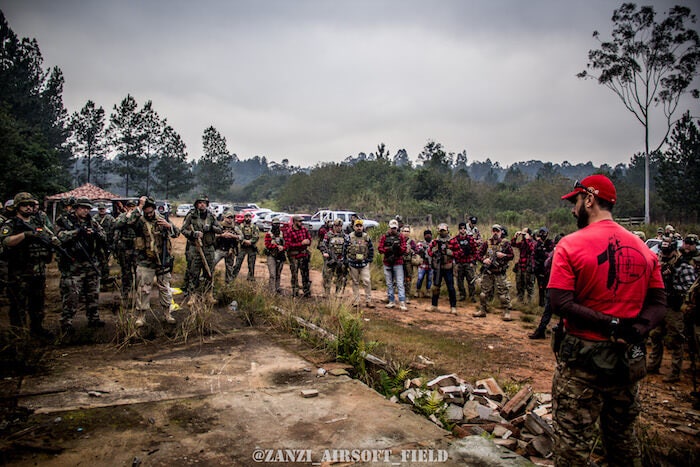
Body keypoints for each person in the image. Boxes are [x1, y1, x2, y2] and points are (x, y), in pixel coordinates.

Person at [549, 175, 666, 466]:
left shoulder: (570, 245)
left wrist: (609, 325)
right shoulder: (642, 249)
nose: (573, 209)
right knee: (624, 441)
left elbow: (559, 301)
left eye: (575, 202)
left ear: (589, 200)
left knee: (572, 444)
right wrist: (634, 329)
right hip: (626, 361)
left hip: (582, 363)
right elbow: (658, 302)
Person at [0, 192, 56, 337]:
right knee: (18, 305)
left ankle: (37, 329)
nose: (29, 208)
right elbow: (6, 241)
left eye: (31, 205)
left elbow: (50, 238)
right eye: (25, 205)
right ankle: (18, 333)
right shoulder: (10, 224)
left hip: (38, 271)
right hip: (20, 272)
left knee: (37, 304)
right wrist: (25, 235)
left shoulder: (38, 223)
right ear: (17, 207)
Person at [56, 197, 108, 333]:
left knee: (93, 293)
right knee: (72, 295)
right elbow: (59, 237)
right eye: (83, 208)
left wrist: (94, 234)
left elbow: (103, 235)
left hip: (90, 262)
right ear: (76, 208)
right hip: (74, 264)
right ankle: (66, 321)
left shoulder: (92, 221)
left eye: (88, 209)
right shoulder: (66, 221)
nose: (85, 211)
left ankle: (93, 318)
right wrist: (77, 233)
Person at [647, 236, 695, 382]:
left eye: (667, 253)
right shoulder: (659, 264)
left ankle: (675, 371)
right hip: (659, 305)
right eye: (663, 252)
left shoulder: (683, 266)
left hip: (674, 307)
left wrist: (672, 286)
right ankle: (654, 364)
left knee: (675, 339)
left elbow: (690, 287)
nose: (664, 255)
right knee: (655, 335)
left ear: (674, 251)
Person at [128, 196, 180, 327]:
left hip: (163, 260)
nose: (149, 213)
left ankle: (167, 313)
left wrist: (168, 226)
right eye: (146, 210)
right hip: (145, 260)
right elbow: (127, 222)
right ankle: (141, 316)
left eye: (151, 211)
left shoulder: (162, 219)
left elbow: (176, 233)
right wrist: (138, 207)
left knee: (165, 288)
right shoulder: (138, 220)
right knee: (143, 288)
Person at [181, 195, 221, 297]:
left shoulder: (211, 217)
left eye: (204, 203)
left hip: (209, 248)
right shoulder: (191, 216)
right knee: (194, 272)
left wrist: (211, 228)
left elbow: (220, 229)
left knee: (209, 271)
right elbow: (183, 230)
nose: (202, 204)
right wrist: (193, 234)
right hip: (196, 248)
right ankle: (192, 294)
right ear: (196, 204)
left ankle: (208, 294)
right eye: (200, 202)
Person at [474, 224, 515, 320]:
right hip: (488, 272)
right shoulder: (487, 243)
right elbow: (478, 254)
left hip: (499, 272)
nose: (495, 233)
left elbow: (511, 255)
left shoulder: (505, 243)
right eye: (494, 231)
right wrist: (484, 260)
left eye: (497, 231)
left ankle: (506, 312)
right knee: (483, 293)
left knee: (503, 295)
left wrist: (503, 255)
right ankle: (482, 310)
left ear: (501, 232)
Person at [529, 233, 563, 339]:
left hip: (554, 283)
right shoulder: (567, 251)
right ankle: (556, 329)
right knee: (561, 309)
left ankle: (542, 330)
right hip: (561, 284)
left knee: (549, 309)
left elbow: (547, 264)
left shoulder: (555, 252)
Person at [428, 223, 461, 314]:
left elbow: (459, 253)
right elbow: (429, 251)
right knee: (436, 286)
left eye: (444, 230)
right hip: (438, 267)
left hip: (448, 267)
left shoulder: (452, 241)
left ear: (447, 230)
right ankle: (434, 305)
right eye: (441, 231)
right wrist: (433, 252)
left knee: (451, 288)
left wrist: (451, 253)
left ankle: (453, 307)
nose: (442, 232)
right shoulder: (435, 242)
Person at [344, 219, 375, 308]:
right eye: (357, 226)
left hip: (364, 263)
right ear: (354, 227)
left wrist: (370, 259)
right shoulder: (349, 237)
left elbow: (371, 248)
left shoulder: (366, 237)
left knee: (367, 281)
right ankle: (356, 300)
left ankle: (368, 300)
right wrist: (345, 260)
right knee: (355, 282)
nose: (359, 228)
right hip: (353, 263)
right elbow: (345, 248)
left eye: (360, 226)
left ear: (362, 227)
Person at [378, 219, 408, 311]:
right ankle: (391, 300)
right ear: (389, 228)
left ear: (397, 228)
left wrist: (398, 249)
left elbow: (404, 249)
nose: (393, 230)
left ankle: (402, 301)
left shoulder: (401, 237)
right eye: (392, 228)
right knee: (389, 283)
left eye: (395, 228)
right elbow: (380, 248)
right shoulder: (384, 237)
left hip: (398, 262)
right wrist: (389, 249)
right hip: (387, 262)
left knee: (399, 283)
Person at [113, 199, 138, 303]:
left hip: (136, 248)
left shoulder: (138, 217)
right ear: (126, 207)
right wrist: (126, 217)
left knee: (138, 272)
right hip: (125, 248)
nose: (131, 209)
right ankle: (125, 294)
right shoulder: (122, 216)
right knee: (126, 272)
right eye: (129, 207)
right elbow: (116, 225)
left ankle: (138, 293)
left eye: (133, 207)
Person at [284, 215, 312, 297]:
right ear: (295, 222)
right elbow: (289, 244)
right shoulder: (289, 231)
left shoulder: (304, 230)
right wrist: (301, 243)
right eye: (299, 221)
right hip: (294, 255)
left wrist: (308, 241)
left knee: (305, 274)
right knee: (295, 274)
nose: (301, 223)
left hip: (304, 254)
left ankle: (306, 291)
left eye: (301, 221)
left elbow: (309, 239)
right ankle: (295, 292)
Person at [319, 219, 348, 298]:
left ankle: (338, 292)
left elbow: (348, 247)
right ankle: (326, 292)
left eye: (340, 226)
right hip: (330, 259)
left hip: (340, 259)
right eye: (336, 226)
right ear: (333, 226)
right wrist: (324, 253)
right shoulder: (328, 235)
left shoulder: (345, 236)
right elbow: (322, 245)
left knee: (340, 276)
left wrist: (344, 258)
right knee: (327, 276)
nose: (338, 228)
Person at [454, 222, 479, 302]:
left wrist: (473, 261)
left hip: (468, 262)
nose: (463, 230)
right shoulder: (456, 239)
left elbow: (475, 251)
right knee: (460, 280)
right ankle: (462, 295)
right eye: (461, 228)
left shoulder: (470, 239)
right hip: (459, 263)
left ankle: (472, 296)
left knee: (471, 280)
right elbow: (452, 251)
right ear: (459, 230)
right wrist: (455, 262)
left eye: (464, 228)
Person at [231, 211, 260, 282]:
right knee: (238, 263)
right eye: (246, 217)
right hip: (242, 247)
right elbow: (238, 235)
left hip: (251, 247)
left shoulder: (254, 226)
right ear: (244, 218)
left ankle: (250, 279)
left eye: (249, 217)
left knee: (251, 264)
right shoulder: (240, 226)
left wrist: (250, 241)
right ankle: (232, 277)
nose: (248, 218)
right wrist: (244, 241)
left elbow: (256, 236)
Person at [511, 227, 536, 304]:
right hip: (520, 266)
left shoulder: (532, 242)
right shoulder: (522, 243)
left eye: (525, 233)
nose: (523, 234)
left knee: (529, 285)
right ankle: (520, 299)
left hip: (528, 267)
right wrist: (515, 237)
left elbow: (531, 249)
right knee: (519, 284)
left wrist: (528, 239)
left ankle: (530, 302)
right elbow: (513, 244)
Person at [213, 211, 239, 284]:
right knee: (212, 263)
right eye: (228, 217)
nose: (230, 219)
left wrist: (233, 236)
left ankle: (228, 285)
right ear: (224, 218)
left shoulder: (235, 227)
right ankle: (209, 280)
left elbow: (241, 237)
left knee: (229, 268)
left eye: (231, 218)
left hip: (230, 250)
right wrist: (222, 235)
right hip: (220, 249)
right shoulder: (220, 226)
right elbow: (212, 235)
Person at [95, 202, 115, 288]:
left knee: (106, 262)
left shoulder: (110, 218)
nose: (102, 211)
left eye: (103, 209)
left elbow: (114, 228)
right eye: (100, 209)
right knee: (98, 262)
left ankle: (105, 279)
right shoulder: (94, 219)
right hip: (98, 244)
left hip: (107, 243)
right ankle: (99, 279)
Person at [263, 217, 286, 293]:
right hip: (271, 255)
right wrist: (276, 246)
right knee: (272, 274)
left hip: (280, 255)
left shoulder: (282, 233)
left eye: (278, 224)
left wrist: (283, 247)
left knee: (278, 273)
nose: (277, 225)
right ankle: (272, 290)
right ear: (272, 224)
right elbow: (267, 244)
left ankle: (277, 288)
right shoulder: (268, 234)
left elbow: (287, 244)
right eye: (275, 224)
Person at [533, 227, 554, 307]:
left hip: (548, 269)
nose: (542, 235)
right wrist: (534, 265)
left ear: (547, 234)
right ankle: (541, 304)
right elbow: (533, 255)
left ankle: (548, 304)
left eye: (544, 233)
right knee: (541, 287)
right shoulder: (537, 243)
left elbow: (550, 255)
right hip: (539, 268)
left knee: (547, 287)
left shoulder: (550, 243)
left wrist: (543, 250)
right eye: (541, 233)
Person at [400, 226, 417, 303]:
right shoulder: (399, 240)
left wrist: (410, 250)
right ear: (402, 232)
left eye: (407, 231)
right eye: (405, 231)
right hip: (399, 262)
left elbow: (416, 251)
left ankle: (407, 296)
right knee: (398, 279)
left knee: (408, 279)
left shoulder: (412, 242)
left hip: (408, 263)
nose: (406, 233)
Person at [414, 230, 433, 298]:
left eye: (429, 234)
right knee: (420, 278)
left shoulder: (434, 243)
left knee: (429, 279)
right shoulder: (420, 244)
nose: (428, 236)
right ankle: (417, 291)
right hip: (423, 264)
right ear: (424, 236)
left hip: (431, 264)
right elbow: (416, 252)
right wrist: (421, 251)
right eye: (426, 235)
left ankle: (428, 291)